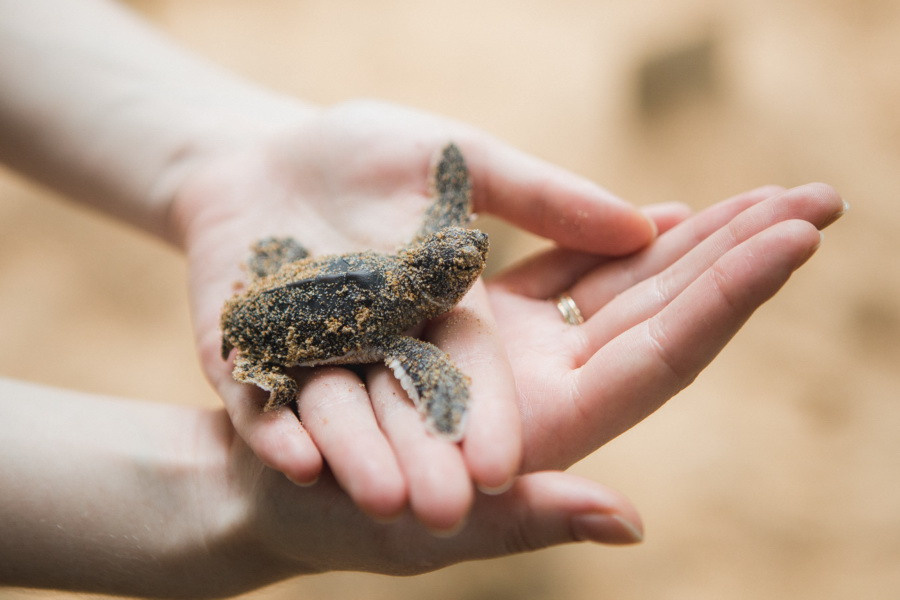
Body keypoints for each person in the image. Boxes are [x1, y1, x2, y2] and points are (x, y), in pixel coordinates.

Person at [0, 0, 846, 597]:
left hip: (297, 275)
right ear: (434, 285)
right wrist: (441, 399)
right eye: (459, 263)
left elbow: (448, 225)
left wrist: (219, 155)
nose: (471, 259)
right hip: (271, 326)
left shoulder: (419, 266)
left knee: (324, 277)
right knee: (323, 358)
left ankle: (278, 286)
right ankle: (271, 363)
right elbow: (418, 340)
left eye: (465, 255)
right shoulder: (405, 322)